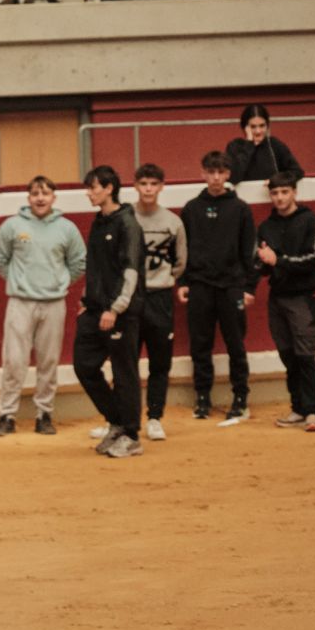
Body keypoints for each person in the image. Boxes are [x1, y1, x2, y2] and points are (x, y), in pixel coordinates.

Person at [0, 175, 85, 437]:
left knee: (49, 361)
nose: (40, 198)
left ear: (54, 197)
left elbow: (78, 262)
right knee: (14, 361)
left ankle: (44, 414)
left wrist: (59, 282)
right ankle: (6, 415)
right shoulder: (12, 225)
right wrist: (18, 281)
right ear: (28, 197)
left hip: (54, 304)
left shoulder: (67, 229)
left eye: (45, 193)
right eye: (35, 194)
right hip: (20, 302)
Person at [179, 149, 257, 424]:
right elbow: (182, 250)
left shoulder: (241, 209)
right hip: (200, 286)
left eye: (220, 172)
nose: (215, 177)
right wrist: (183, 282)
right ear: (202, 174)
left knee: (236, 344)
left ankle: (240, 398)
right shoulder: (191, 209)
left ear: (228, 175)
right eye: (210, 172)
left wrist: (250, 287)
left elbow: (249, 251)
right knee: (200, 345)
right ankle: (202, 397)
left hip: (232, 286)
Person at [74, 166, 147, 458]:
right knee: (84, 366)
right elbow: (96, 267)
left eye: (93, 188)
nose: (88, 193)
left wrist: (115, 308)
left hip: (120, 313)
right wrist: (86, 299)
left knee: (124, 372)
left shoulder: (128, 224)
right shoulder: (99, 222)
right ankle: (117, 421)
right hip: (93, 310)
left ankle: (131, 435)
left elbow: (130, 272)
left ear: (109, 188)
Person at [245, 172, 315, 433]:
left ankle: (312, 411)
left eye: (284, 192)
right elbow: (260, 264)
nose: (279, 197)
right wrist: (250, 286)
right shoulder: (266, 227)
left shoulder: (311, 220)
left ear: (294, 192)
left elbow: (311, 259)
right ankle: (298, 408)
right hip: (278, 297)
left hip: (302, 297)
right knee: (288, 355)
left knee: (305, 356)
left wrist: (277, 260)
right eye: (275, 193)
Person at [129, 162, 186, 441]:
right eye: (143, 184)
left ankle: (154, 417)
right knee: (125, 361)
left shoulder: (173, 222)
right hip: (131, 296)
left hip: (160, 297)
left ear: (161, 187)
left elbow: (180, 262)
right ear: (136, 186)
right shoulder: (126, 217)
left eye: (153, 184)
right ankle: (122, 419)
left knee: (160, 361)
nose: (148, 189)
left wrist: (162, 279)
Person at [225, 104, 304, 184]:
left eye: (262, 126)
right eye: (253, 127)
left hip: (270, 191)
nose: (258, 131)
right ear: (245, 127)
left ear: (267, 126)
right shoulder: (235, 146)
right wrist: (249, 144)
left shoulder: (274, 145)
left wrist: (276, 181)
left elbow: (297, 172)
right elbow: (233, 177)